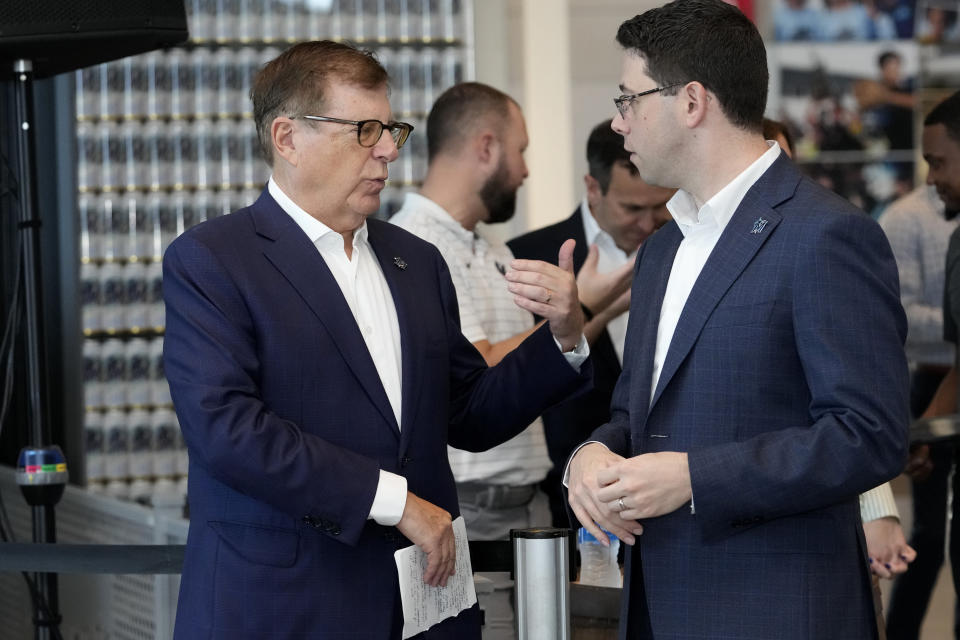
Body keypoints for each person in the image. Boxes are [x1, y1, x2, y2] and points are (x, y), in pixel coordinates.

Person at [162, 41, 591, 640]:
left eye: (390, 128)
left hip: (427, 601)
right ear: (288, 139)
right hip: (290, 604)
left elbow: (467, 413)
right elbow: (227, 430)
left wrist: (563, 336)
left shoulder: (415, 260)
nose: (389, 149)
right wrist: (396, 502)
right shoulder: (213, 260)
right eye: (365, 130)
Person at [565, 2, 909, 638]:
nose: (618, 123)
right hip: (656, 602)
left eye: (629, 99)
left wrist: (697, 478)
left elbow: (869, 434)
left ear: (691, 101)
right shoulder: (665, 245)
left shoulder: (826, 234)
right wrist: (592, 454)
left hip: (774, 608)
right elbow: (635, 416)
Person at [390, 81, 585, 639]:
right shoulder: (413, 248)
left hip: (530, 502)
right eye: (520, 150)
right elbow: (477, 369)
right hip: (471, 505)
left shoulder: (493, 249)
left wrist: (576, 316)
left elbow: (528, 366)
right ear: (486, 147)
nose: (525, 170)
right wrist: (576, 308)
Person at [508, 119, 674, 527]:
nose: (649, 222)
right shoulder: (530, 257)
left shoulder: (685, 245)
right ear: (593, 188)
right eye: (633, 208)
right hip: (567, 494)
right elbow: (527, 377)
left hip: (669, 491)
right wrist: (597, 308)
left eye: (661, 205)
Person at [886, 89, 960, 640]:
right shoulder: (921, 225)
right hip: (935, 392)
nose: (932, 177)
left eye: (939, 161)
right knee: (937, 537)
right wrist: (929, 428)